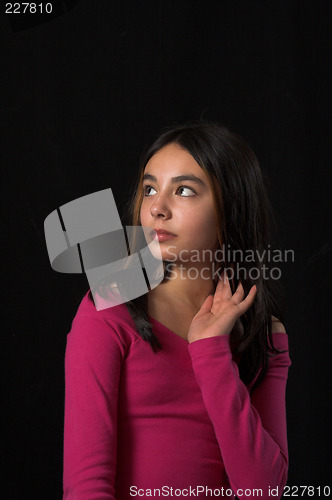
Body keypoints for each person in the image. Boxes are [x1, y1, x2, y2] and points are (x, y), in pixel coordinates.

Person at [63, 122, 291, 500]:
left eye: (183, 190)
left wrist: (211, 353)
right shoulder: (108, 310)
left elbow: (264, 490)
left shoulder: (264, 332)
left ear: (231, 206)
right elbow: (86, 484)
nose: (157, 208)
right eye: (150, 188)